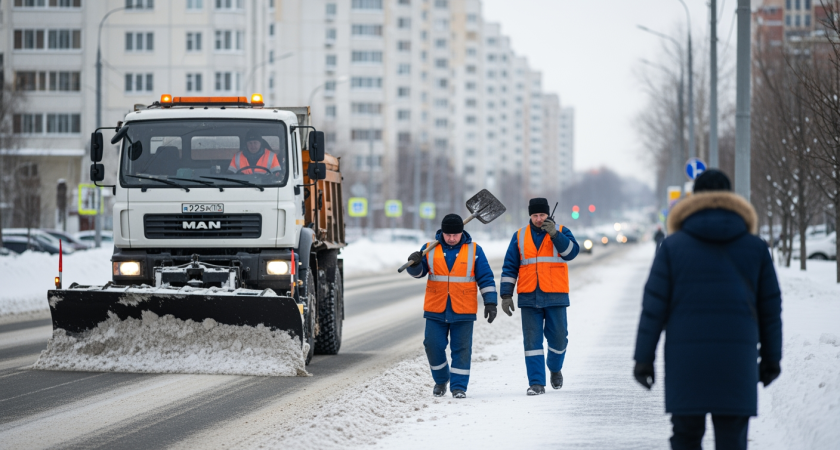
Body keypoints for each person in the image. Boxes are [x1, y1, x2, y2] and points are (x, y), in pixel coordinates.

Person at [633, 169, 783, 450]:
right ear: (731, 198)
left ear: (693, 199)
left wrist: (643, 359)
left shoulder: (672, 247)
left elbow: (653, 308)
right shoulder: (755, 248)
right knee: (733, 440)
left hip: (686, 363)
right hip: (737, 362)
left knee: (686, 438)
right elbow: (770, 309)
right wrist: (772, 359)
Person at [405, 214, 498, 399]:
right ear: (442, 232)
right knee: (432, 345)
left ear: (462, 232)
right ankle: (441, 380)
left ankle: (459, 387)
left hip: (463, 309)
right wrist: (414, 263)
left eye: (455, 234)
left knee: (462, 349)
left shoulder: (474, 250)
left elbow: (486, 278)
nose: (452, 238)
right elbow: (419, 273)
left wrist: (490, 302)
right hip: (436, 308)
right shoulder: (429, 248)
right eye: (448, 235)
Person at [500, 197, 579, 396]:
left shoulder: (561, 231)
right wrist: (506, 294)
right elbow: (510, 266)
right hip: (529, 296)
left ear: (548, 214)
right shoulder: (519, 236)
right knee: (532, 343)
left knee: (559, 339)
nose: (538, 219)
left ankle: (555, 368)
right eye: (535, 215)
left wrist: (555, 235)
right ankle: (536, 383)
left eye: (542, 215)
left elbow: (571, 253)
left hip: (555, 295)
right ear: (530, 215)